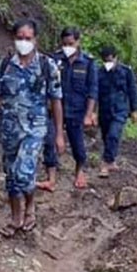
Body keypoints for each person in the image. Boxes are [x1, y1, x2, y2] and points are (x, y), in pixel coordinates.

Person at [0, 18, 64, 238]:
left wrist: (59, 134)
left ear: (35, 39)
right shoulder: (6, 64)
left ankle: (30, 207)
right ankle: (16, 215)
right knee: (11, 174)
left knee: (23, 172)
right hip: (8, 128)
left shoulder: (48, 66)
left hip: (35, 129)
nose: (24, 42)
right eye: (20, 38)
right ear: (13, 39)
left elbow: (56, 100)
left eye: (28, 38)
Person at [40, 27, 98, 190]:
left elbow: (93, 90)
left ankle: (80, 171)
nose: (67, 47)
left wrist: (89, 114)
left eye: (70, 43)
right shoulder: (53, 59)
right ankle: (51, 177)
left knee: (77, 143)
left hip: (77, 110)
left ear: (78, 42)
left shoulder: (88, 62)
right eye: (64, 43)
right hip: (54, 109)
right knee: (50, 140)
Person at [95, 45, 137, 178]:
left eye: (109, 60)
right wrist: (92, 111)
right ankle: (112, 160)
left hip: (120, 110)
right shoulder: (99, 73)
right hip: (104, 110)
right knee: (106, 136)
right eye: (105, 60)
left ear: (116, 58)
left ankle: (105, 163)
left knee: (113, 135)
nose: (107, 63)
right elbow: (95, 93)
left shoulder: (126, 72)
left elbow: (132, 90)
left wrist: (134, 110)